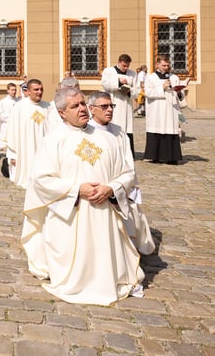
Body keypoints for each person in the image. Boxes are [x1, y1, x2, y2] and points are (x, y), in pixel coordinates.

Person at [21, 87, 144, 305]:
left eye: (82, 104)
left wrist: (111, 188)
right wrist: (78, 190)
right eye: (74, 106)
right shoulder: (54, 140)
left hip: (105, 214)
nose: (82, 109)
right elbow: (41, 180)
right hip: (71, 216)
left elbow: (127, 173)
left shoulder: (106, 138)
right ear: (61, 113)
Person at [87, 91, 155, 255]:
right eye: (104, 106)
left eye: (111, 106)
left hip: (119, 187)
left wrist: (124, 185)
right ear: (91, 109)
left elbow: (128, 162)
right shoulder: (86, 133)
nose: (109, 109)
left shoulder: (119, 131)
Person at [2, 78, 52, 188]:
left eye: (41, 89)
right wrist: (12, 155)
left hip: (43, 149)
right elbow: (12, 133)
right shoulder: (19, 107)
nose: (39, 92)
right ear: (28, 91)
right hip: (25, 150)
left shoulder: (48, 107)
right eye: (36, 89)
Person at [143, 56, 183, 165]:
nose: (166, 67)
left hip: (171, 109)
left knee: (170, 129)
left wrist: (179, 92)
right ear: (157, 65)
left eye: (167, 65)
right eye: (163, 65)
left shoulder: (174, 77)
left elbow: (180, 95)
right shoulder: (151, 78)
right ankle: (155, 156)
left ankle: (171, 157)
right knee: (157, 129)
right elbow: (148, 93)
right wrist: (162, 87)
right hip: (156, 109)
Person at [101, 54, 137, 153]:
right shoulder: (108, 71)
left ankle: (126, 152)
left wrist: (129, 91)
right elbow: (105, 84)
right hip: (113, 103)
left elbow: (137, 90)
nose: (126, 68)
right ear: (119, 62)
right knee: (113, 124)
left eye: (127, 66)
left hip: (126, 105)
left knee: (126, 128)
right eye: (124, 66)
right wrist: (119, 82)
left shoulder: (133, 74)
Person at [0, 83, 20, 150]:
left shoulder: (19, 101)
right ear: (8, 90)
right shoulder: (3, 102)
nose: (14, 91)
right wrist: (12, 118)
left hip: (17, 124)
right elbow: (1, 115)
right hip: (6, 124)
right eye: (12, 90)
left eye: (15, 90)